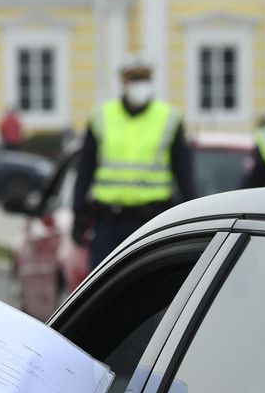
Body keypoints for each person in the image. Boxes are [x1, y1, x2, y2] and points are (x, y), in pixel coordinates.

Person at [70, 59, 195, 271]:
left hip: (152, 222)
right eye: (134, 80)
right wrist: (78, 214)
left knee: (152, 282)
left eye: (143, 80)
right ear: (124, 83)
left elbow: (184, 175)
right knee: (104, 284)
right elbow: (85, 171)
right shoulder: (101, 116)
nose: (139, 85)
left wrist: (191, 217)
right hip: (109, 223)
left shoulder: (168, 118)